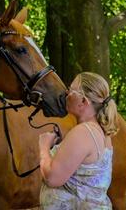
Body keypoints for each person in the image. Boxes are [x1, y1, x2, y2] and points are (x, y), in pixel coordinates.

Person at [39, 72, 118, 210]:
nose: (67, 93)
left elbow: (52, 178)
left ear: (83, 101)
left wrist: (44, 147)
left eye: (71, 90)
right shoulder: (101, 132)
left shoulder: (83, 132)